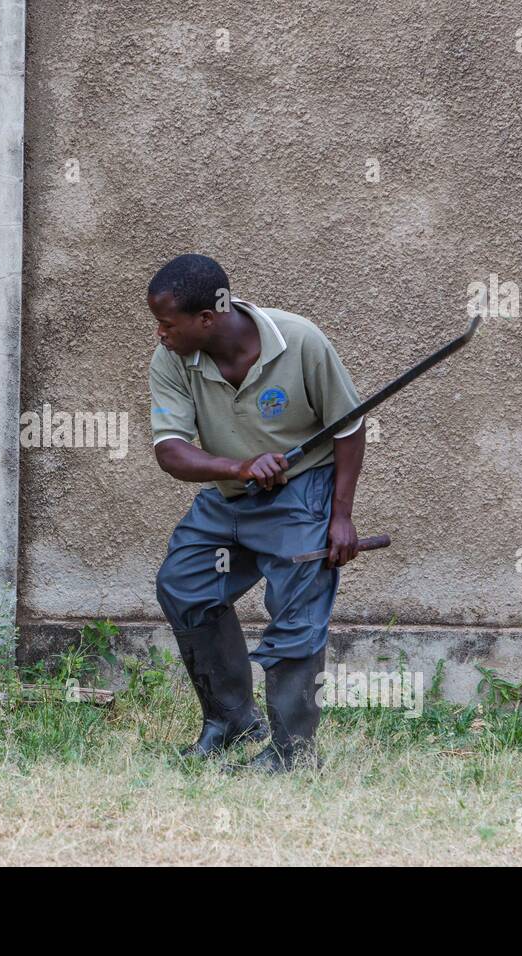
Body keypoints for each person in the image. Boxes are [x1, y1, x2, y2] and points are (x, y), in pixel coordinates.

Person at [148, 254, 365, 772]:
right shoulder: (173, 360)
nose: (159, 334)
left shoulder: (301, 341)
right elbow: (171, 450)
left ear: (207, 318)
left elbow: (349, 428)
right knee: (184, 584)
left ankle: (292, 754)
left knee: (295, 616)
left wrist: (340, 515)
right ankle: (231, 719)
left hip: (301, 492)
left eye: (167, 322)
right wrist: (239, 467)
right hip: (228, 497)